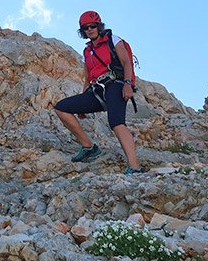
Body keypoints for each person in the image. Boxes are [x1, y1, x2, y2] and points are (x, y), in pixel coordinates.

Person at [53, 10, 144, 174]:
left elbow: (126, 63)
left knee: (116, 122)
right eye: (85, 28)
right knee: (61, 107)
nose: (90, 29)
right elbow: (88, 78)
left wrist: (128, 84)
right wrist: (83, 100)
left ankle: (135, 167)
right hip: (97, 90)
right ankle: (88, 147)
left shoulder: (113, 40)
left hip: (116, 85)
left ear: (99, 26)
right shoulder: (87, 51)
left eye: (93, 26)